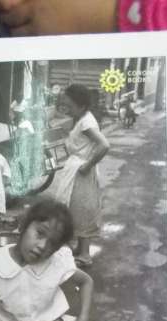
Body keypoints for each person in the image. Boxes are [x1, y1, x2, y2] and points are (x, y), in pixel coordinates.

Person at [56, 84, 109, 267]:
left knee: (82, 210)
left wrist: (88, 165)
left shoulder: (86, 122)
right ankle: (80, 248)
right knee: (76, 208)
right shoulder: (82, 119)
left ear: (81, 105)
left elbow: (104, 145)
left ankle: (85, 255)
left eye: (70, 105)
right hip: (77, 168)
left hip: (81, 171)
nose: (67, 109)